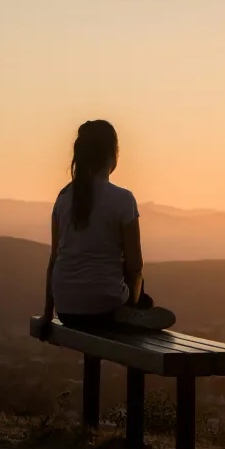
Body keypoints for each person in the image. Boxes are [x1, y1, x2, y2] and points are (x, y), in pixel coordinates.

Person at [36, 119, 176, 340]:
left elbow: (54, 261)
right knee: (141, 295)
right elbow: (135, 266)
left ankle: (133, 312)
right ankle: (134, 312)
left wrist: (47, 313)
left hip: (66, 311)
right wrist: (134, 300)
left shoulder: (63, 199)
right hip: (105, 308)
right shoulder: (123, 199)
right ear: (113, 154)